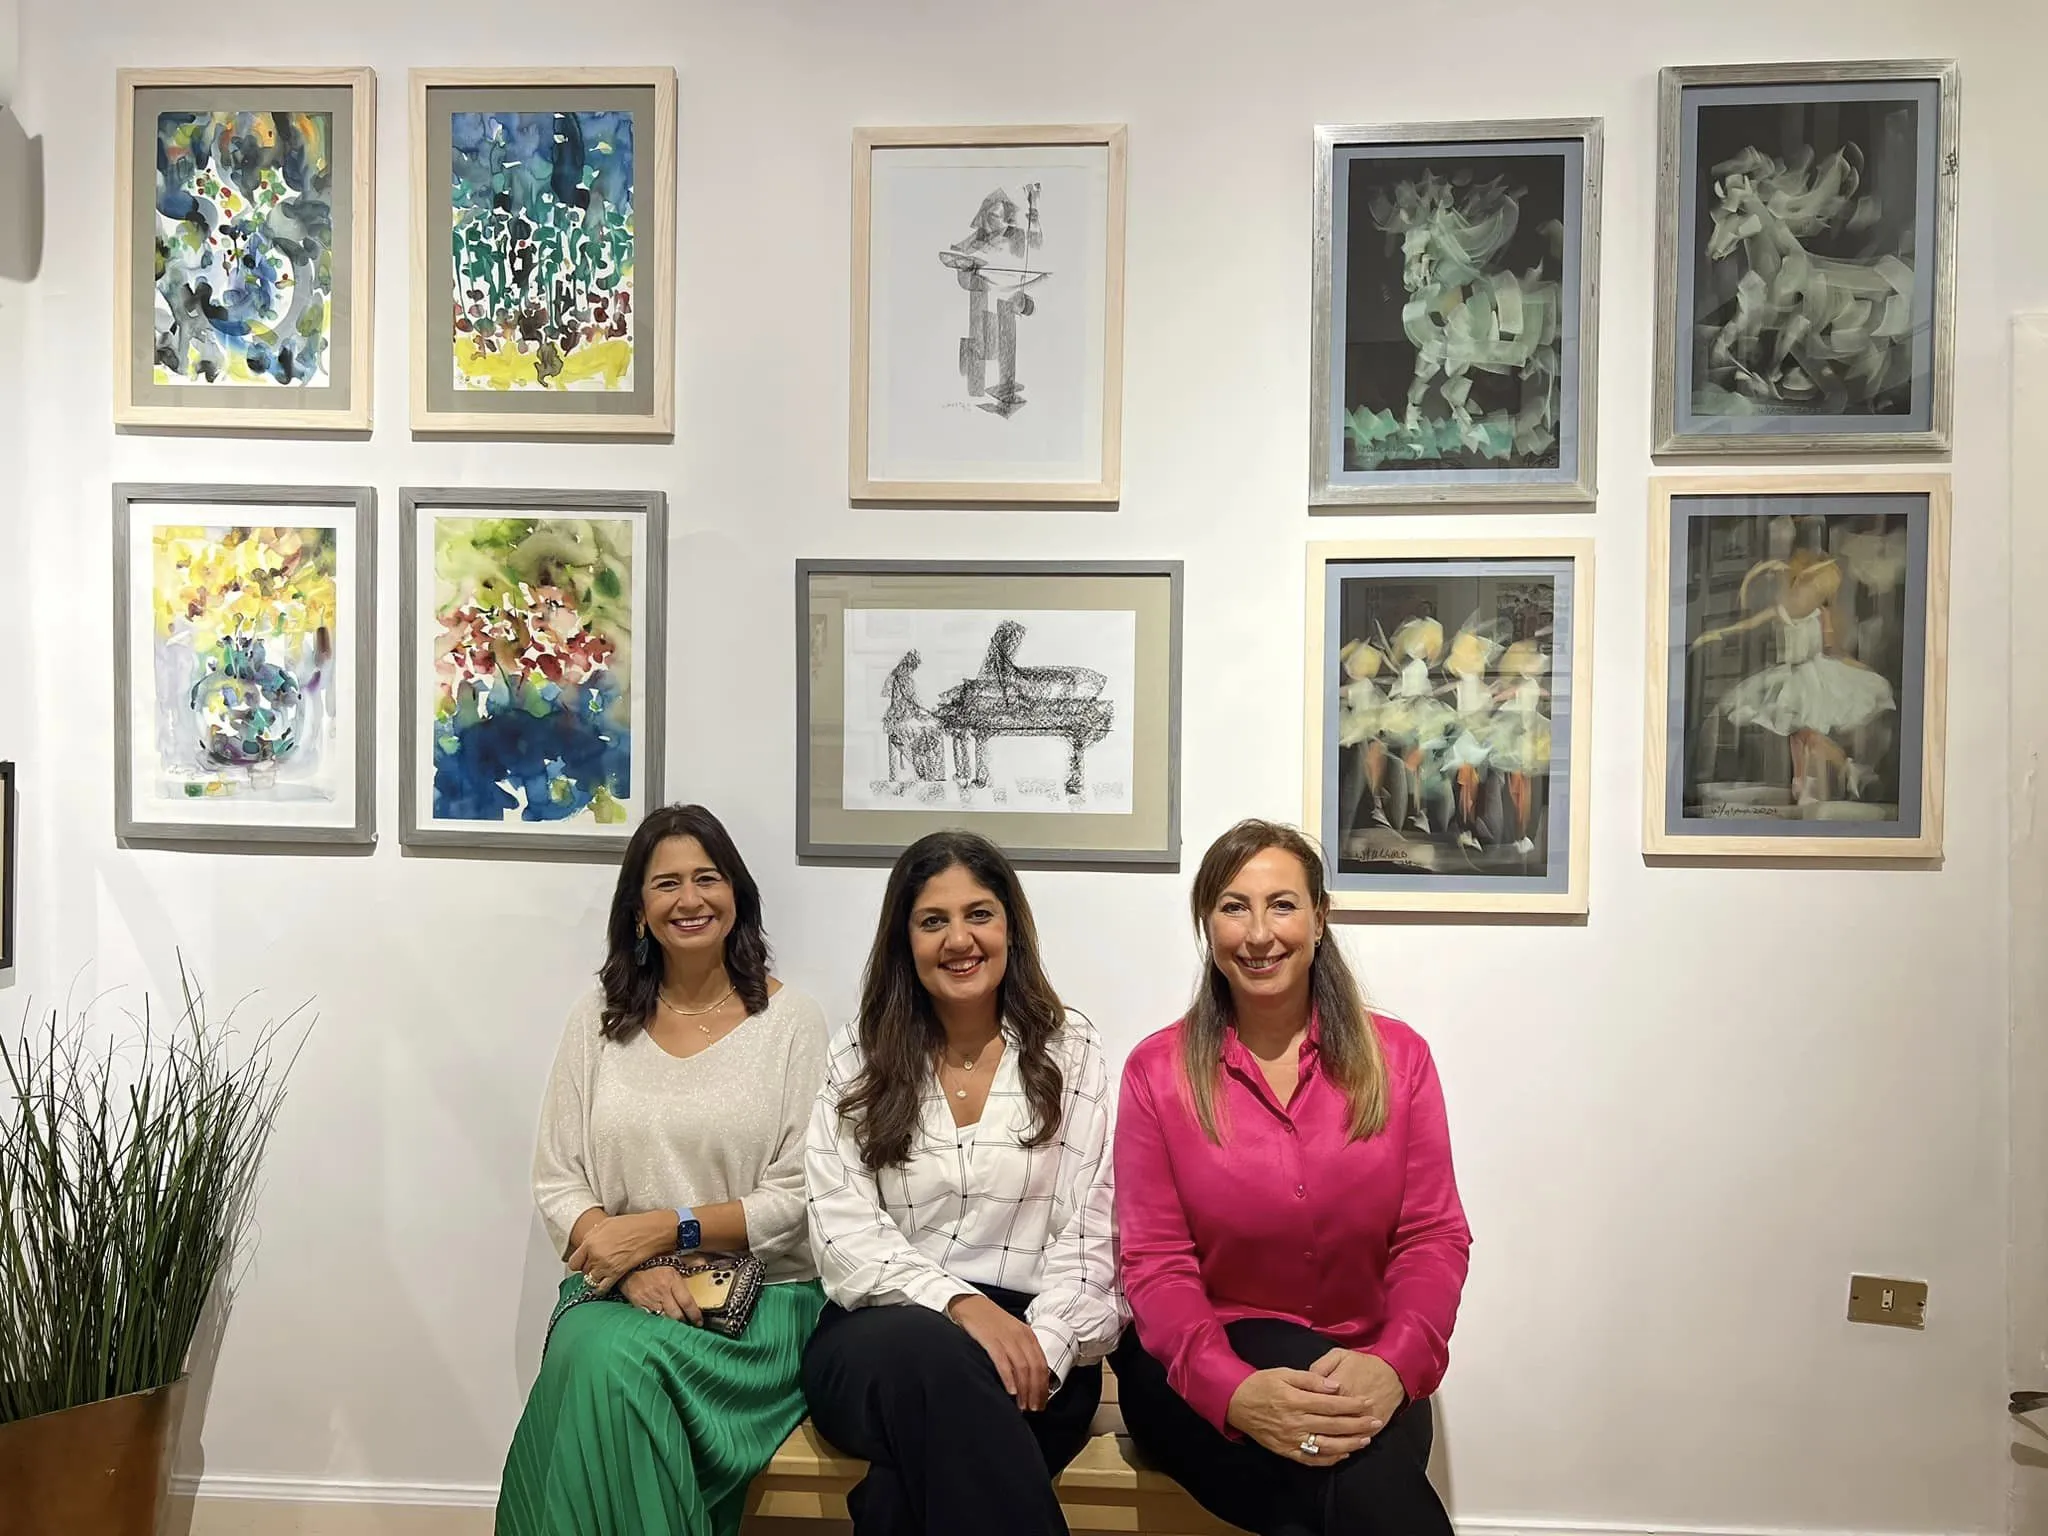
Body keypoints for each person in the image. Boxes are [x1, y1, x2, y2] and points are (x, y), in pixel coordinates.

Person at [1111, 819, 1471, 1536]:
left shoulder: (1400, 1060)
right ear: (1206, 924)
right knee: (1363, 1489)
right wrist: (1235, 1391)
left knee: (1323, 1503)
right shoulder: (1157, 1073)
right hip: (1195, 1379)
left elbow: (1432, 1238)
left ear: (1319, 918)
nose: (1258, 933)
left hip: (1368, 1376)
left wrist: (1393, 1366)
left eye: (1281, 905)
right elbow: (1155, 1264)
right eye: (1233, 907)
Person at [497, 805, 831, 1536]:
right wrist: (627, 1267)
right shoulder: (598, 1019)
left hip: (757, 1308)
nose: (690, 899)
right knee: (600, 1356)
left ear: (736, 894)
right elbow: (559, 1178)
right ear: (639, 910)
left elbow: (798, 1196)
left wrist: (664, 1233)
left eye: (707, 878)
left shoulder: (793, 1024)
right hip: (618, 1290)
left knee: (607, 1364)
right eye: (667, 883)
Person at [801, 829, 1123, 1536]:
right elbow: (841, 1232)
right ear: (904, 939)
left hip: (1038, 1344)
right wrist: (959, 1305)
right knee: (935, 1362)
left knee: (898, 1499)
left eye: (979, 914)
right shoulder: (859, 1053)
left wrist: (1045, 1347)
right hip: (882, 1334)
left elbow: (1092, 1235)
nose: (959, 939)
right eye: (932, 920)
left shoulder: (1072, 1049)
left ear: (1011, 928)